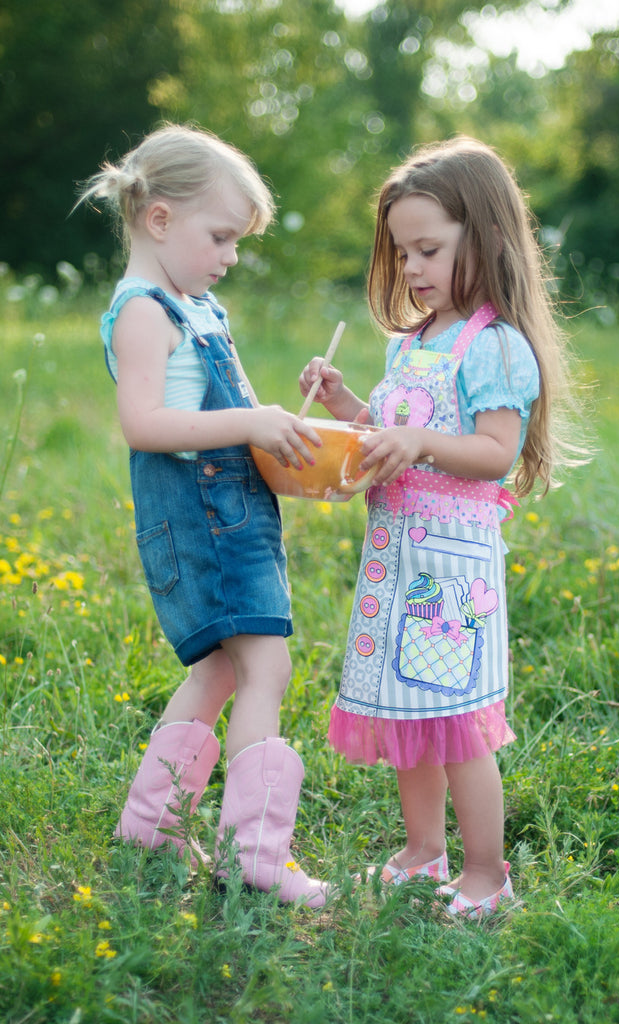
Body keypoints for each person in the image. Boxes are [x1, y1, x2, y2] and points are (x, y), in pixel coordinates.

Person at [299, 136, 584, 919]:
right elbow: (394, 432)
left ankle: (486, 876)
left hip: (449, 568)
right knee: (405, 713)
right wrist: (346, 406)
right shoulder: (412, 341)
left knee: (455, 723)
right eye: (402, 252)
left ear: (484, 239)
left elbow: (492, 452)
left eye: (429, 248)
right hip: (395, 560)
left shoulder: (492, 345)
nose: (413, 268)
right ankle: (423, 853)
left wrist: (419, 442)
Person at [77, 123, 327, 907]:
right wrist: (252, 424)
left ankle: (152, 826)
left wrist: (291, 445)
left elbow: (236, 414)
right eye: (219, 235)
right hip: (201, 517)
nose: (230, 256)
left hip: (229, 511)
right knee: (266, 666)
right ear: (159, 220)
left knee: (220, 667)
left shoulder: (200, 306)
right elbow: (145, 425)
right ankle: (255, 853)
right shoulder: (145, 310)